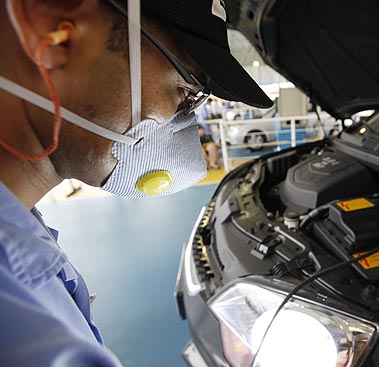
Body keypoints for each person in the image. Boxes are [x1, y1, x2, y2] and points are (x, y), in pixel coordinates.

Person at [0, 0, 272, 366]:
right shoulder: (17, 316)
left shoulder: (24, 232)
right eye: (186, 90)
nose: (184, 120)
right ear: (52, 31)